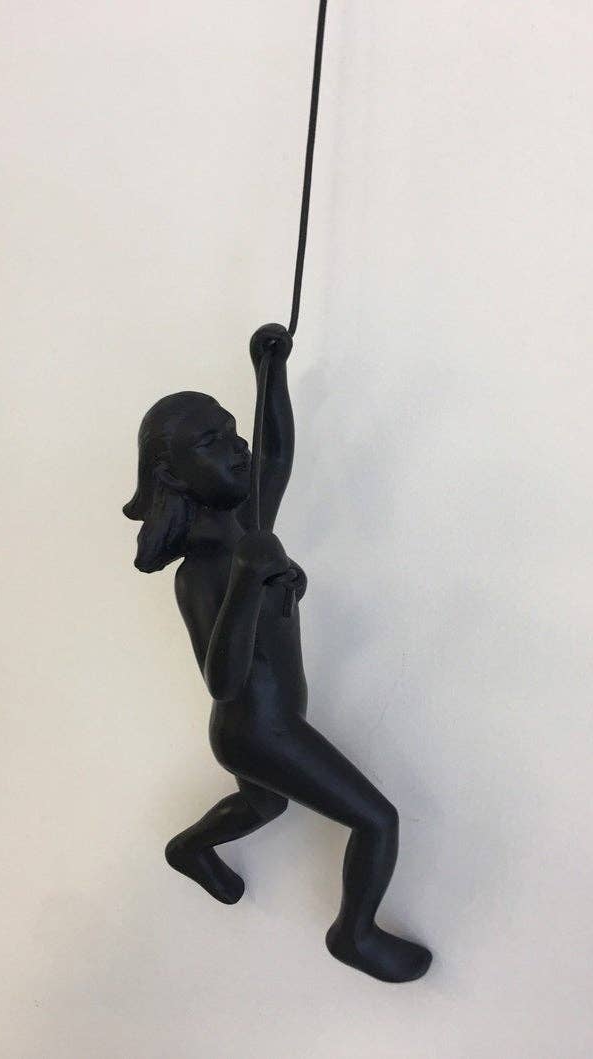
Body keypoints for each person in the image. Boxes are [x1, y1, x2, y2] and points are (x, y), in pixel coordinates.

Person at [124, 323, 431, 982]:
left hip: (272, 723)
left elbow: (275, 451)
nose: (235, 445)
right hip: (257, 731)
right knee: (377, 821)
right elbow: (223, 679)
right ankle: (354, 933)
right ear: (173, 475)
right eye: (211, 442)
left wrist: (269, 370)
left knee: (265, 804)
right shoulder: (201, 571)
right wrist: (246, 580)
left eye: (230, 430)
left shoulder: (249, 524)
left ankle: (189, 849)